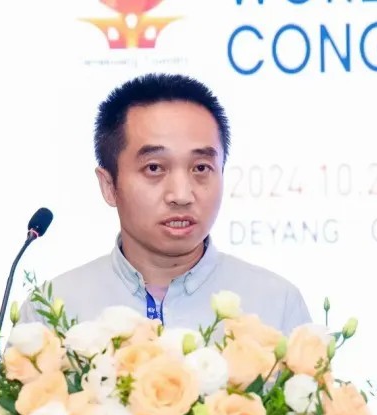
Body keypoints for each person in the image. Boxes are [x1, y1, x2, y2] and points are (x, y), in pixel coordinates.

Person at [20, 73, 311, 334]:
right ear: (109, 186)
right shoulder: (51, 311)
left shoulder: (276, 305)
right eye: (154, 168)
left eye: (201, 168)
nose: (181, 195)